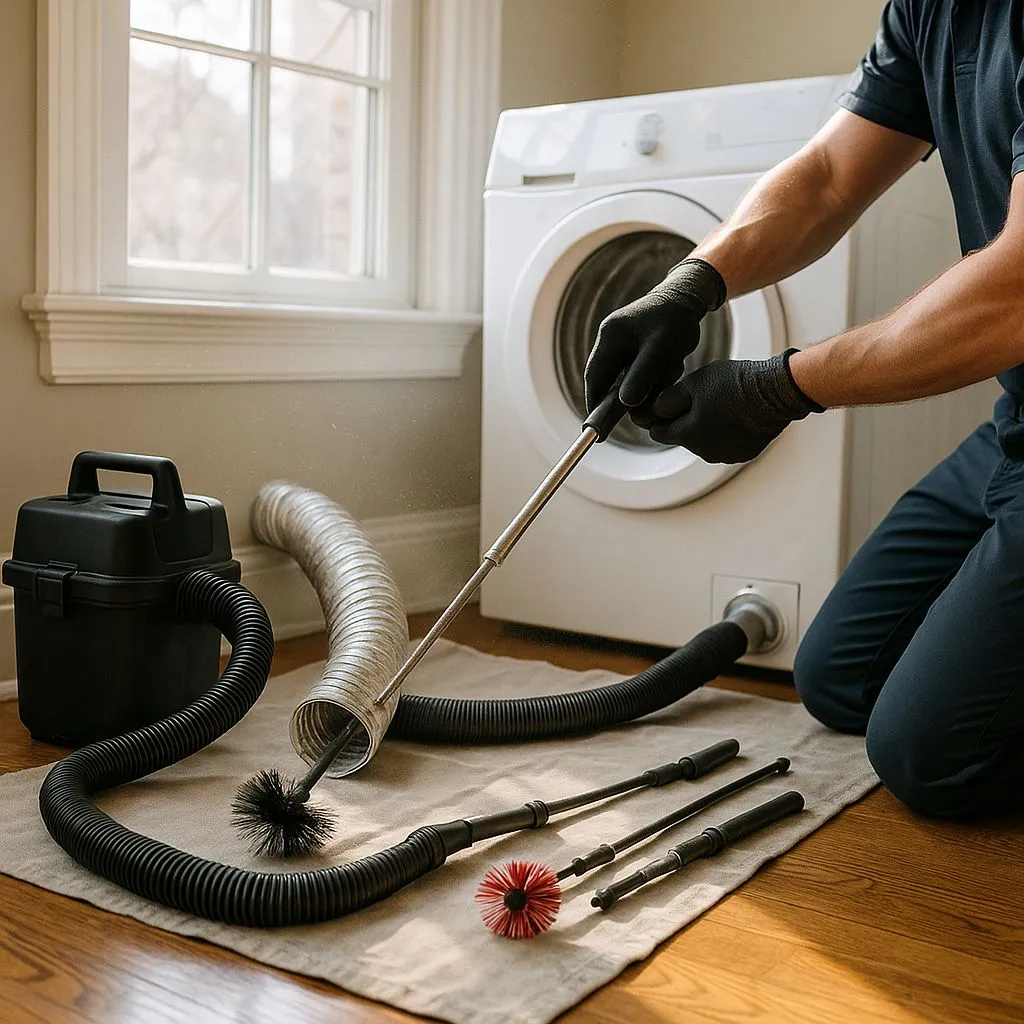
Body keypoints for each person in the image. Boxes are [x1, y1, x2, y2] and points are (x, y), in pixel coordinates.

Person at [584, 0, 1024, 819]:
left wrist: (774, 388)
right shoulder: (930, 10)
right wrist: (690, 285)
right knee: (842, 675)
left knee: (931, 757)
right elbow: (826, 176)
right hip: (1016, 425)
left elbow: (1015, 292)